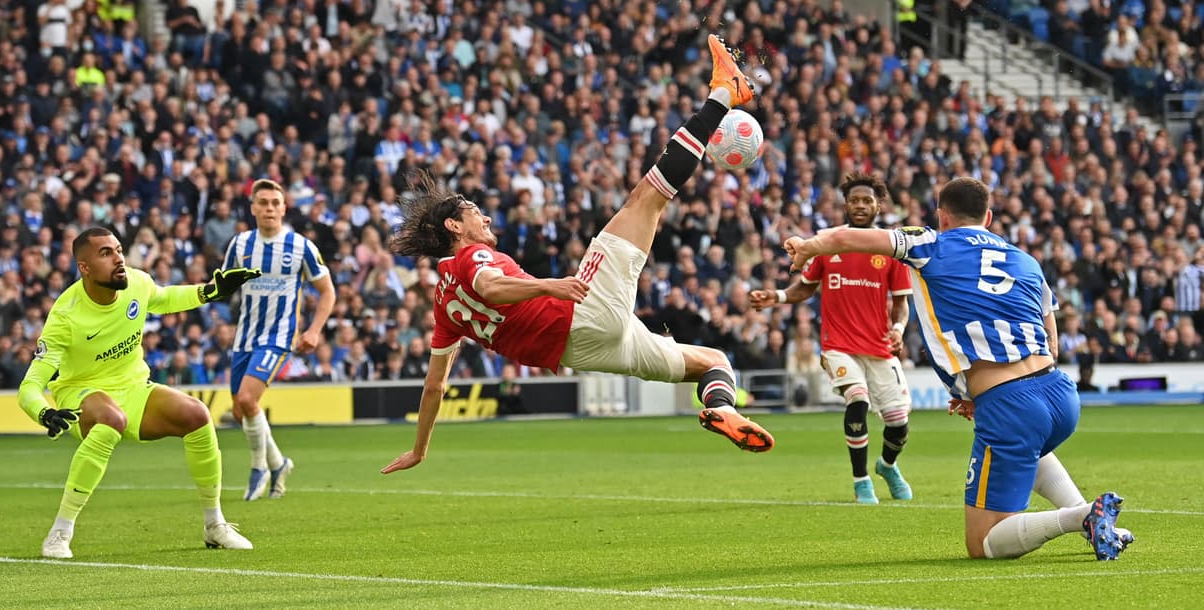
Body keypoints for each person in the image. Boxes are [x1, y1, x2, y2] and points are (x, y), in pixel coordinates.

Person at [382, 35, 775, 475]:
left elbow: (434, 386)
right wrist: (549, 285)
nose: (485, 217)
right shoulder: (467, 259)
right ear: (454, 228)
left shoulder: (443, 306)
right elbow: (489, 286)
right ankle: (723, 92)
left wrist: (419, 449)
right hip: (579, 313)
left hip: (582, 350)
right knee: (645, 199)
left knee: (713, 362)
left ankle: (723, 409)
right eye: (474, 211)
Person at [781, 177, 1131, 561]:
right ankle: (1094, 522)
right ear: (989, 217)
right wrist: (976, 392)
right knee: (1025, 449)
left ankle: (1082, 515)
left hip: (1012, 403)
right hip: (1060, 393)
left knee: (983, 543)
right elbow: (1051, 334)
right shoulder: (1023, 259)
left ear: (942, 216)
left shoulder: (930, 243)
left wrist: (809, 247)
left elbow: (850, 238)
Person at [16, 227, 260, 558]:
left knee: (197, 415)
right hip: (81, 394)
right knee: (111, 419)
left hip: (133, 389)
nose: (118, 258)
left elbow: (164, 298)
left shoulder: (137, 282)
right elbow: (30, 386)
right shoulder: (65, 315)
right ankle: (60, 532)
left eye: (118, 250)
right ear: (84, 267)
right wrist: (43, 412)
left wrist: (210, 291)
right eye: (106, 253)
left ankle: (214, 524)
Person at [750, 172, 914, 504]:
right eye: (854, 200)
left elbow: (901, 304)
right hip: (838, 345)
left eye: (867, 200)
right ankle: (861, 481)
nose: (860, 205)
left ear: (878, 206)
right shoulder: (828, 244)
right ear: (845, 205)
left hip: (879, 346)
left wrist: (897, 331)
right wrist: (777, 296)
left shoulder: (891, 248)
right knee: (857, 399)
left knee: (898, 422)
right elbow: (804, 287)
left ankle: (887, 466)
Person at [221, 179, 335, 500]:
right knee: (241, 410)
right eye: (263, 203)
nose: (269, 208)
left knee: (247, 399)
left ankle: (258, 467)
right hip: (245, 337)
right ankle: (279, 463)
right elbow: (224, 286)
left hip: (279, 336)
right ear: (253, 208)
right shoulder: (240, 245)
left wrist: (313, 330)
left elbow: (328, 292)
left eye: (275, 203)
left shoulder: (301, 247)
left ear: (284, 209)